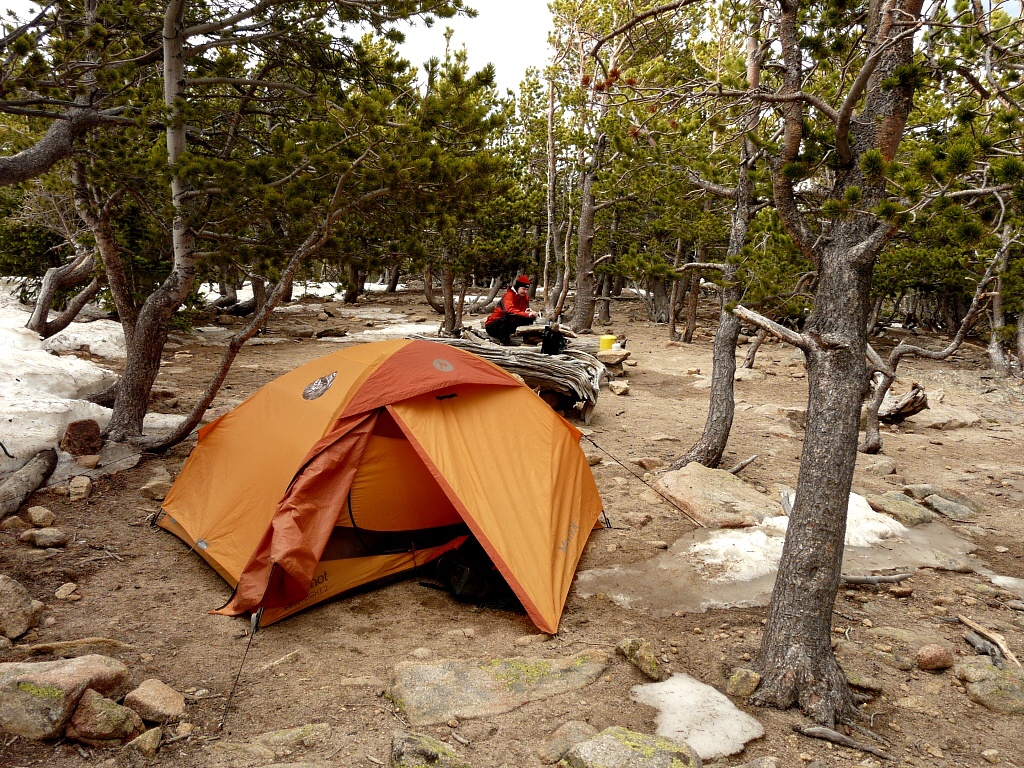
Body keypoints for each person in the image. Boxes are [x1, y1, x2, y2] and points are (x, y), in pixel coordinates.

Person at [485, 275, 538, 345]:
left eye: (527, 290)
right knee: (507, 317)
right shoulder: (508, 296)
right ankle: (504, 341)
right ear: (518, 287)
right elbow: (509, 310)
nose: (525, 291)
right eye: (523, 289)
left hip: (507, 325)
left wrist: (528, 312)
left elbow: (522, 311)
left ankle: (527, 338)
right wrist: (526, 314)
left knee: (529, 318)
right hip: (493, 326)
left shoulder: (525, 297)